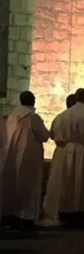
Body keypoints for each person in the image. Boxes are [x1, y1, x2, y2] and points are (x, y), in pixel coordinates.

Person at [46, 88, 84, 228]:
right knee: (81, 182)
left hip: (64, 151)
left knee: (65, 182)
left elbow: (52, 133)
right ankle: (79, 213)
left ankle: (64, 210)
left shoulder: (62, 115)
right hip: (83, 152)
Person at [0, 91, 50, 230]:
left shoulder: (11, 117)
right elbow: (44, 135)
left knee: (14, 185)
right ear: (33, 101)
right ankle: (26, 218)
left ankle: (12, 215)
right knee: (29, 186)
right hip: (29, 157)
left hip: (12, 156)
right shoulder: (32, 117)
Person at [43, 94, 77, 220]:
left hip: (59, 151)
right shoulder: (75, 118)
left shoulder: (59, 117)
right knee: (70, 181)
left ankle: (56, 207)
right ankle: (68, 208)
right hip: (71, 151)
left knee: (57, 180)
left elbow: (51, 134)